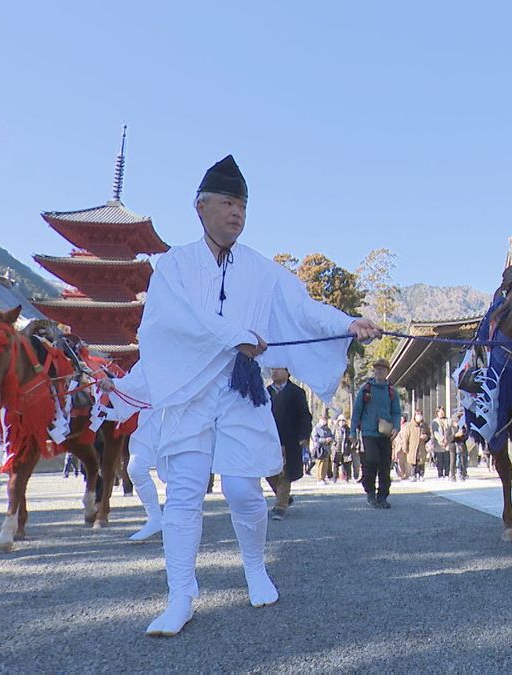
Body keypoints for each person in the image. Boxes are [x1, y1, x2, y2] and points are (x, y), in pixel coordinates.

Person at [98, 155, 381, 637]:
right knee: (184, 493)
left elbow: (302, 308)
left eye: (243, 205)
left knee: (243, 489)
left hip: (237, 388)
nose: (237, 213)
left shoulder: (260, 270)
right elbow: (173, 322)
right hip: (190, 393)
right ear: (200, 207)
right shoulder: (174, 265)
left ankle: (255, 566)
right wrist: (237, 334)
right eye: (228, 203)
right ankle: (180, 594)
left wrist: (347, 324)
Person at [352, 359, 400, 508]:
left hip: (385, 433)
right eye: (377, 369)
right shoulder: (365, 389)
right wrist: (352, 431)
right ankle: (370, 492)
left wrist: (396, 427)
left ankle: (383, 496)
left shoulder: (391, 392)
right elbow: (357, 411)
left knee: (385, 465)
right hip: (368, 432)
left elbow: (396, 412)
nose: (379, 372)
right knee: (371, 461)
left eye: (382, 369)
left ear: (387, 372)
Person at [265, 367, 311, 520]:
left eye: (278, 369)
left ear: (287, 372)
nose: (274, 372)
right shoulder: (266, 392)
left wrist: (304, 436)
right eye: (272, 369)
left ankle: (280, 507)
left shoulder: (297, 392)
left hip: (289, 440)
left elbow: (305, 415)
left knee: (285, 473)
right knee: (269, 472)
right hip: (269, 440)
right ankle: (283, 496)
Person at [404, 411, 429, 482]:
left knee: (421, 462)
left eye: (420, 415)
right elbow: (406, 438)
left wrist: (425, 437)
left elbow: (429, 435)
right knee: (413, 462)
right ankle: (413, 475)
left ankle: (421, 475)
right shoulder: (410, 426)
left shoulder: (424, 425)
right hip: (412, 447)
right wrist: (405, 448)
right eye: (417, 415)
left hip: (421, 447)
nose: (419, 417)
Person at [311, 413, 335, 485]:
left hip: (327, 449)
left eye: (326, 420)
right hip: (319, 448)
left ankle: (323, 478)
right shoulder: (316, 428)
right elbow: (315, 438)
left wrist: (331, 439)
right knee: (320, 464)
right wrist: (324, 440)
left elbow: (332, 436)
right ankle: (319, 479)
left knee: (325, 464)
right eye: (323, 420)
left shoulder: (327, 429)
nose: (325, 421)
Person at [430, 407, 452, 479]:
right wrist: (442, 440)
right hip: (438, 444)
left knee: (447, 460)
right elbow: (435, 433)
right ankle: (440, 474)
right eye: (440, 412)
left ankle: (447, 474)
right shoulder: (434, 422)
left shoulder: (449, 420)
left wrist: (447, 440)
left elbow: (451, 431)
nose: (441, 413)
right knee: (440, 460)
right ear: (437, 413)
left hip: (447, 443)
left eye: (443, 411)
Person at [450, 409, 469, 481]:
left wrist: (462, 435)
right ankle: (452, 475)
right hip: (453, 447)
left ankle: (463, 474)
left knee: (462, 461)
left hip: (461, 446)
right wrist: (455, 435)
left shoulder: (463, 428)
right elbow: (449, 438)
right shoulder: (450, 428)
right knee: (453, 462)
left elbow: (466, 437)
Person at [392, 414, 410, 479]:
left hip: (406, 445)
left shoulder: (407, 426)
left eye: (402, 419)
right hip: (398, 447)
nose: (401, 420)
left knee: (406, 461)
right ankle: (401, 474)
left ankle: (407, 474)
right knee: (399, 461)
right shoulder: (395, 426)